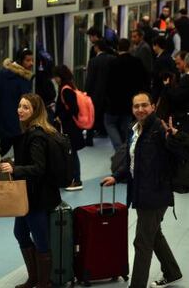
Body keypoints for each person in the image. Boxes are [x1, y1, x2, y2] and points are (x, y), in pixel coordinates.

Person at [101, 92, 182, 288]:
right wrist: (117, 176)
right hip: (140, 192)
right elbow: (132, 161)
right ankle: (172, 272)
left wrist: (176, 137)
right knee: (153, 234)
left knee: (142, 242)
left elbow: (179, 152)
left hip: (155, 193)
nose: (140, 109)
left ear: (153, 106)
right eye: (136, 106)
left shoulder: (159, 129)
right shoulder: (135, 129)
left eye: (144, 105)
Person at [0, 93, 61, 288]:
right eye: (20, 106)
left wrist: (15, 168)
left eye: (26, 107)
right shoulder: (31, 132)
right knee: (20, 233)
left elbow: (39, 168)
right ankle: (34, 278)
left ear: (35, 111)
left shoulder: (36, 135)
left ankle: (44, 282)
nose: (20, 110)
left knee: (40, 239)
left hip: (37, 197)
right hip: (27, 195)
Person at [105, 38, 150, 150]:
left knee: (110, 124)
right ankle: (126, 149)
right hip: (130, 101)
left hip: (114, 102)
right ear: (129, 48)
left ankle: (119, 148)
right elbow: (145, 80)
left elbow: (107, 83)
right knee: (126, 126)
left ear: (118, 48)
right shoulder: (137, 62)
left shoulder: (112, 63)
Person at [53, 65, 85, 191]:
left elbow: (73, 109)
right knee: (70, 154)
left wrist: (60, 116)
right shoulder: (69, 86)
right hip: (71, 128)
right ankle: (71, 179)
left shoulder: (65, 89)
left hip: (69, 128)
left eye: (55, 76)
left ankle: (76, 180)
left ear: (59, 77)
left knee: (72, 154)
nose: (54, 79)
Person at [0, 48, 34, 156]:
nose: (31, 63)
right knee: (20, 151)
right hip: (19, 120)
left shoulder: (3, 74)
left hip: (4, 118)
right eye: (28, 60)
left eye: (32, 60)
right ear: (20, 60)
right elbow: (27, 100)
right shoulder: (23, 79)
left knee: (3, 147)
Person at [85, 39, 116, 144]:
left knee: (92, 115)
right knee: (106, 114)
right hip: (110, 93)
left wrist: (86, 93)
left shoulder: (93, 61)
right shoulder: (113, 59)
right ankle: (103, 131)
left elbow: (90, 80)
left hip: (95, 93)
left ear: (97, 48)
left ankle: (89, 139)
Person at [152, 36, 177, 104]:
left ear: (156, 45)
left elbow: (161, 77)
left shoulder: (161, 59)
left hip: (161, 93)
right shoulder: (168, 56)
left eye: (153, 45)